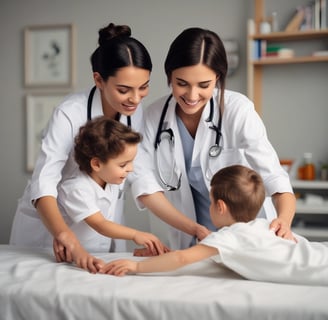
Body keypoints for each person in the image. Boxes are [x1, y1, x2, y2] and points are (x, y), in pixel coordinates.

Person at [130, 27, 296, 250]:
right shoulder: (153, 116)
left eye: (204, 85)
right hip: (192, 238)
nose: (191, 95)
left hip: (247, 236)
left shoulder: (238, 111)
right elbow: (145, 186)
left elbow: (275, 178)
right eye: (182, 83)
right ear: (169, 75)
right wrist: (194, 230)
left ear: (217, 78)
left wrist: (283, 221)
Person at [9, 22, 155, 272]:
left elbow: (139, 172)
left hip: (101, 227)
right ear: (99, 79)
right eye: (124, 90)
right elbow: (44, 181)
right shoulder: (70, 113)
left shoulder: (134, 112)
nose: (135, 98)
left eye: (143, 87)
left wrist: (189, 227)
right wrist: (65, 236)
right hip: (52, 233)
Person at [99, 165, 328, 286]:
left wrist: (136, 266)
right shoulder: (265, 225)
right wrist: (158, 255)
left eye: (209, 202)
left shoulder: (230, 237)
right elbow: (194, 256)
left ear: (220, 207)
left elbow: (183, 259)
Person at [54, 116, 167, 254]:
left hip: (97, 254)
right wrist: (135, 235)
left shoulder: (110, 179)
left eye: (131, 162)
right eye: (123, 164)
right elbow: (100, 224)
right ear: (96, 164)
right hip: (71, 257)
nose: (130, 169)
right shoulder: (76, 189)